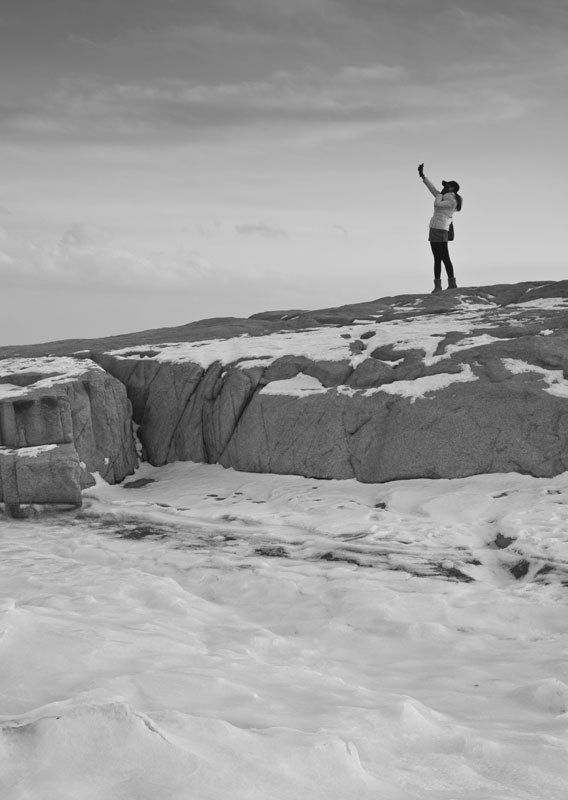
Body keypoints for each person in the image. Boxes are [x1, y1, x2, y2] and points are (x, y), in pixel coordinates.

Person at [418, 163, 462, 292]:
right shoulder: (443, 197)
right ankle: (437, 287)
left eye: (447, 185)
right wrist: (423, 177)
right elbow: (432, 189)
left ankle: (452, 284)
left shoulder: (452, 201)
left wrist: (438, 195)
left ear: (452, 188)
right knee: (437, 258)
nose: (444, 187)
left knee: (445, 257)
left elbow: (437, 205)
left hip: (442, 229)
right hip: (434, 228)